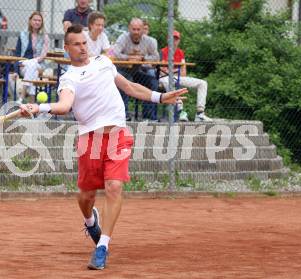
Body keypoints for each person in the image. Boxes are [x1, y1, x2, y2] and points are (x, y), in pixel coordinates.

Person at [18, 24, 188, 270]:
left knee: (114, 186)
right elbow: (64, 106)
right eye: (76, 44)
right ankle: (90, 221)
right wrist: (39, 107)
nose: (82, 48)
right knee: (86, 195)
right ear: (66, 48)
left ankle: (102, 246)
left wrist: (160, 97)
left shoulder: (104, 62)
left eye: (85, 43)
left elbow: (129, 87)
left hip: (117, 134)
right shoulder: (69, 78)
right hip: (90, 139)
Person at [159, 31, 212, 122]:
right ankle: (180, 111)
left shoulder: (180, 53)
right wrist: (175, 71)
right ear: (168, 40)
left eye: (176, 39)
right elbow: (162, 71)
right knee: (167, 80)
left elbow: (183, 73)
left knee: (202, 83)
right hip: (164, 79)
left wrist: (172, 71)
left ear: (179, 40)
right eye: (172, 38)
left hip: (177, 77)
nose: (174, 41)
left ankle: (200, 114)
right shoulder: (163, 52)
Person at [113, 18, 159, 120]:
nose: (136, 32)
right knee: (123, 81)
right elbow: (115, 52)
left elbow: (156, 57)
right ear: (129, 28)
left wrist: (143, 58)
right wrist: (128, 58)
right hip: (122, 70)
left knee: (152, 82)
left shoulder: (149, 41)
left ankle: (148, 117)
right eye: (134, 29)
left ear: (143, 30)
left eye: (138, 29)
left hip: (138, 71)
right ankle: (123, 115)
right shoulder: (123, 37)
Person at [11, 11, 49, 103]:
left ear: (42, 23)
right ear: (30, 21)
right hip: (23, 65)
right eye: (35, 20)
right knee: (33, 71)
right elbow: (17, 53)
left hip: (39, 64)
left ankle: (22, 97)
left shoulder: (45, 37)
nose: (37, 22)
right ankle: (32, 103)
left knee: (32, 65)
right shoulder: (23, 35)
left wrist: (33, 61)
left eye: (39, 20)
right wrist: (16, 71)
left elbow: (43, 56)